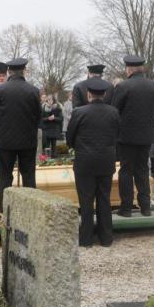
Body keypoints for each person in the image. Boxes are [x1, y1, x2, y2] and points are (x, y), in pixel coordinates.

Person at [66, 78, 120, 247]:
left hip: (85, 161)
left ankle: (86, 238)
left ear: (89, 94)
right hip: (105, 160)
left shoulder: (79, 112)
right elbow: (117, 134)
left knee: (86, 200)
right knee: (104, 199)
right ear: (104, 94)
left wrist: (80, 147)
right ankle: (106, 238)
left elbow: (70, 138)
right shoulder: (113, 112)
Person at [111, 56, 154, 217]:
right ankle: (145, 206)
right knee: (143, 169)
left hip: (127, 136)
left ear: (129, 69)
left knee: (126, 170)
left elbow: (115, 110)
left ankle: (126, 207)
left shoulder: (123, 86)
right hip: (146, 134)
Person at [0, 58, 42, 211]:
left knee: (5, 177)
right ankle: (31, 211)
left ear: (9, 72)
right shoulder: (33, 90)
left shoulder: (0, 90)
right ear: (24, 71)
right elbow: (38, 117)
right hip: (28, 141)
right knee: (29, 177)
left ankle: (4, 212)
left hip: (5, 141)